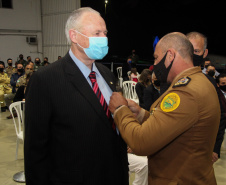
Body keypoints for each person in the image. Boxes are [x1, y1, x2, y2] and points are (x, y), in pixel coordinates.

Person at [24, 7, 128, 185]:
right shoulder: (45, 79)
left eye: (105, 32)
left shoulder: (106, 74)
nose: (104, 38)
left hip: (114, 174)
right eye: (97, 33)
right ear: (74, 36)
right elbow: (36, 149)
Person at [109, 32, 220, 184]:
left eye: (156, 57)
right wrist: (141, 114)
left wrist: (120, 109)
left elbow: (141, 142)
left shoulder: (185, 91)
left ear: (170, 55)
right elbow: (175, 124)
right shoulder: (199, 81)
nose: (155, 64)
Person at [212, 73, 226, 163]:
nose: (225, 85)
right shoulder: (215, 94)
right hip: (221, 121)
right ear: (218, 84)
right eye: (223, 84)